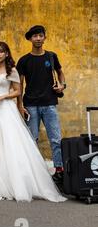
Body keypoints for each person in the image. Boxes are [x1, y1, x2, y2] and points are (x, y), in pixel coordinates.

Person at [0, 42, 66, 202]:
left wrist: (4, 97)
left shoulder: (12, 70)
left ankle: (14, 181)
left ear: (7, 54)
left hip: (5, 107)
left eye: (1, 51)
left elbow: (17, 91)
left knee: (9, 143)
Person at [17, 25, 66, 183]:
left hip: (50, 103)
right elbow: (19, 84)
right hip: (30, 105)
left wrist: (62, 85)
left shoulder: (51, 56)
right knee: (32, 140)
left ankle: (59, 170)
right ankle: (34, 173)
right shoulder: (24, 60)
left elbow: (60, 72)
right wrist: (20, 105)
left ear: (45, 37)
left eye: (40, 35)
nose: (38, 38)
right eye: (34, 36)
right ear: (30, 39)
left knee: (56, 139)